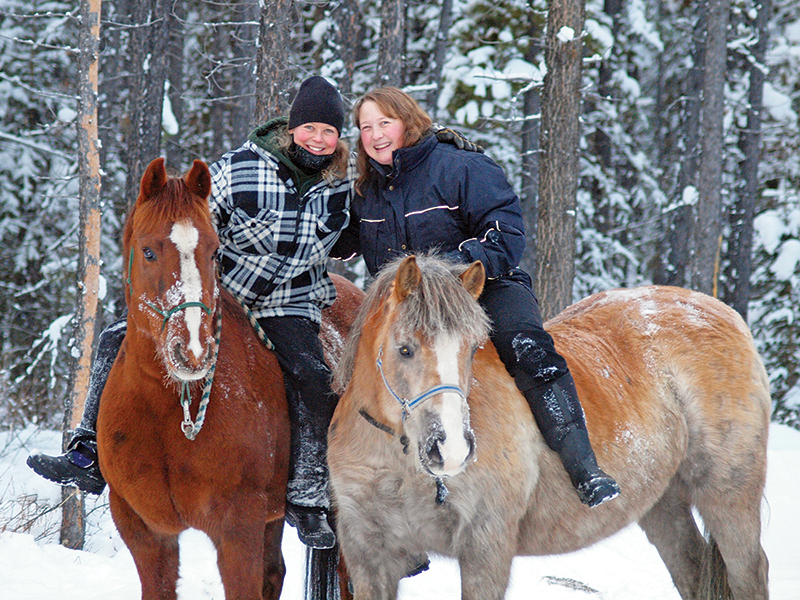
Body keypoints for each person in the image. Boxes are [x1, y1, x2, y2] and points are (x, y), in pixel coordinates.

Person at [27, 77, 479, 549]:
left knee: (311, 378)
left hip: (291, 302)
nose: (319, 139)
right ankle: (87, 452)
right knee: (114, 338)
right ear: (292, 127)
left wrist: (438, 153)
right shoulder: (239, 169)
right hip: (227, 297)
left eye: (329, 131)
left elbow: (377, 224)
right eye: (310, 128)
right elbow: (195, 228)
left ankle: (306, 496)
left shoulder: (339, 188)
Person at [332, 87, 621, 507]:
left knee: (527, 348)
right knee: (362, 367)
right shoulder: (366, 191)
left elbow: (506, 233)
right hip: (411, 308)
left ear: (408, 123)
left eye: (385, 123)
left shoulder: (460, 167)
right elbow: (340, 241)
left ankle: (583, 465)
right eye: (365, 128)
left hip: (482, 287)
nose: (375, 135)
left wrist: (452, 271)